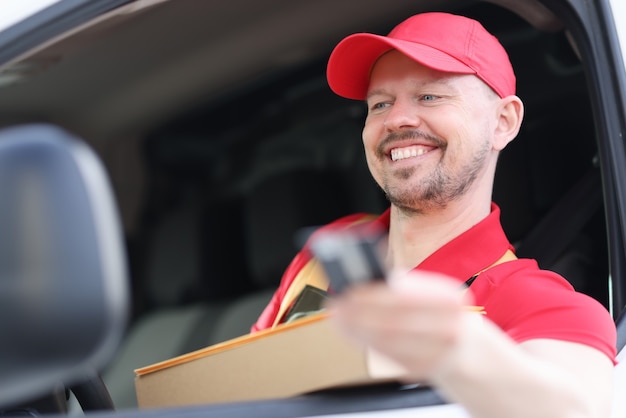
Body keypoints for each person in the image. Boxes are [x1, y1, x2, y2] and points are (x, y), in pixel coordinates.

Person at [252, 12, 617, 418]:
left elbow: (578, 407)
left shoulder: (535, 301)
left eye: (430, 96)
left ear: (503, 121)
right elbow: (244, 384)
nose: (395, 119)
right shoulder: (332, 249)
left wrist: (458, 345)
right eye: (380, 104)